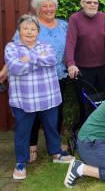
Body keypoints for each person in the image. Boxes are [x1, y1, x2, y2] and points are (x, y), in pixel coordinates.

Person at [5, 14, 73, 180]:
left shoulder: (46, 46)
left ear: (38, 31)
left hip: (48, 96)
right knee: (22, 132)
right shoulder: (11, 47)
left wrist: (28, 59)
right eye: (25, 28)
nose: (29, 32)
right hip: (23, 99)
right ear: (19, 31)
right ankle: (21, 163)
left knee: (52, 127)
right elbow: (14, 67)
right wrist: (37, 60)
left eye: (33, 29)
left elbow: (52, 60)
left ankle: (56, 154)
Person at [10, 0, 69, 164]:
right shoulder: (30, 25)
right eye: (45, 6)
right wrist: (5, 71)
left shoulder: (64, 26)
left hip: (58, 75)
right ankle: (31, 147)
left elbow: (69, 47)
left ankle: (55, 149)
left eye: (52, 6)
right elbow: (17, 50)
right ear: (37, 9)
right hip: (31, 78)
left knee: (54, 114)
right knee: (31, 114)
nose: (49, 9)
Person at [65, 0, 105, 128]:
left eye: (95, 2)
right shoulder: (75, 19)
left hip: (103, 68)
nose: (92, 5)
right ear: (82, 4)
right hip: (82, 70)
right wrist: (71, 64)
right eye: (89, 2)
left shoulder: (104, 18)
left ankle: (104, 129)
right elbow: (70, 43)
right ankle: (86, 130)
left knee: (104, 102)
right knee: (84, 103)